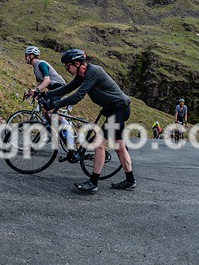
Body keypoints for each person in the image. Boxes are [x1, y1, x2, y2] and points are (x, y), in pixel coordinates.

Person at [39, 49, 135, 192]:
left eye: (67, 65)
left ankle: (93, 182)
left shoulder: (93, 72)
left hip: (118, 109)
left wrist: (54, 104)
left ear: (77, 63)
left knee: (99, 144)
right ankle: (130, 180)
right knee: (119, 147)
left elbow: (78, 96)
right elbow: (67, 89)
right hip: (114, 110)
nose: (66, 68)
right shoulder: (81, 75)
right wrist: (45, 93)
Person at [23, 46, 75, 159]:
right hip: (52, 90)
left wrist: (37, 90)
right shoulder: (35, 68)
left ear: (31, 56)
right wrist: (32, 93)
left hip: (58, 87)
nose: (25, 58)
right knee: (45, 111)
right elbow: (39, 85)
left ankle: (65, 129)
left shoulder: (41, 64)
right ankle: (52, 132)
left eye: (26, 55)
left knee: (52, 113)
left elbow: (47, 80)